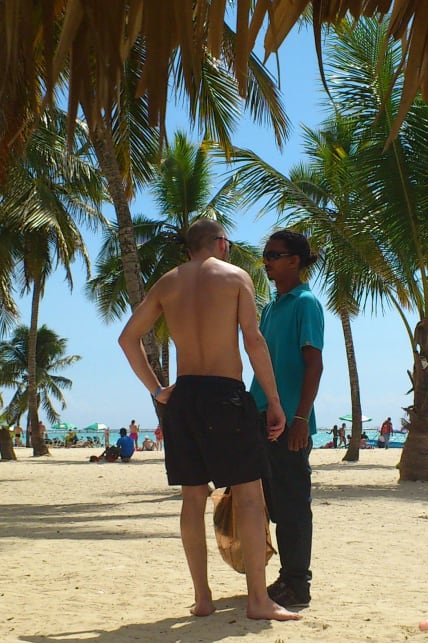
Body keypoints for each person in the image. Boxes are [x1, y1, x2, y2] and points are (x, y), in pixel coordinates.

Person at [118, 217, 298, 621]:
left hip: (184, 397)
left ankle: (202, 598)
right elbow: (253, 340)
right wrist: (273, 400)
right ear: (220, 243)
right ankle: (257, 600)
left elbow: (127, 339)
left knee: (192, 498)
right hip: (225, 394)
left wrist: (158, 390)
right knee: (250, 495)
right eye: (229, 244)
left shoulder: (167, 283)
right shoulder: (234, 277)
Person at [248, 229, 324, 610]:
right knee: (273, 505)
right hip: (261, 417)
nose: (267, 261)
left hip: (290, 421)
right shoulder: (269, 307)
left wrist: (300, 418)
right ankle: (284, 578)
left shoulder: (305, 303)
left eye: (274, 255)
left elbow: (314, 364)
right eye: (266, 254)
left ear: (295, 261)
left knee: (293, 506)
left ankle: (298, 585)